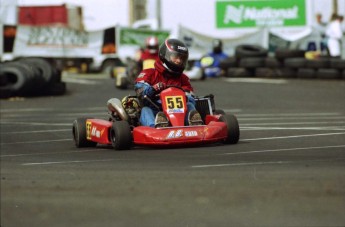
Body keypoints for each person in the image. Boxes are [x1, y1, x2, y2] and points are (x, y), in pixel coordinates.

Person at [134, 38, 202, 128]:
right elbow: (141, 94)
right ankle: (155, 127)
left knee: (189, 104)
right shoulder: (148, 74)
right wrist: (153, 89)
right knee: (146, 110)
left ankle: (194, 124)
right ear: (164, 55)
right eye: (175, 57)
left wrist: (185, 96)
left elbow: (191, 97)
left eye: (181, 58)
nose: (179, 61)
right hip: (156, 109)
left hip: (180, 113)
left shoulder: (183, 78)